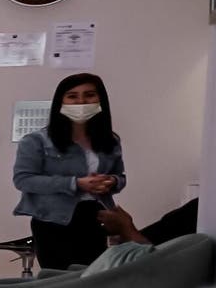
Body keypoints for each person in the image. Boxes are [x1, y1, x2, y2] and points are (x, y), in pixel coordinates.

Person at [11, 69, 129, 270]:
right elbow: (23, 180)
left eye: (89, 95)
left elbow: (120, 177)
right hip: (54, 219)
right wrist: (76, 183)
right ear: (61, 102)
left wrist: (111, 181)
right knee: (59, 280)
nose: (81, 102)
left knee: (92, 277)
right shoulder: (37, 141)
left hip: (96, 216)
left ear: (100, 99)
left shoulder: (110, 140)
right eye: (72, 96)